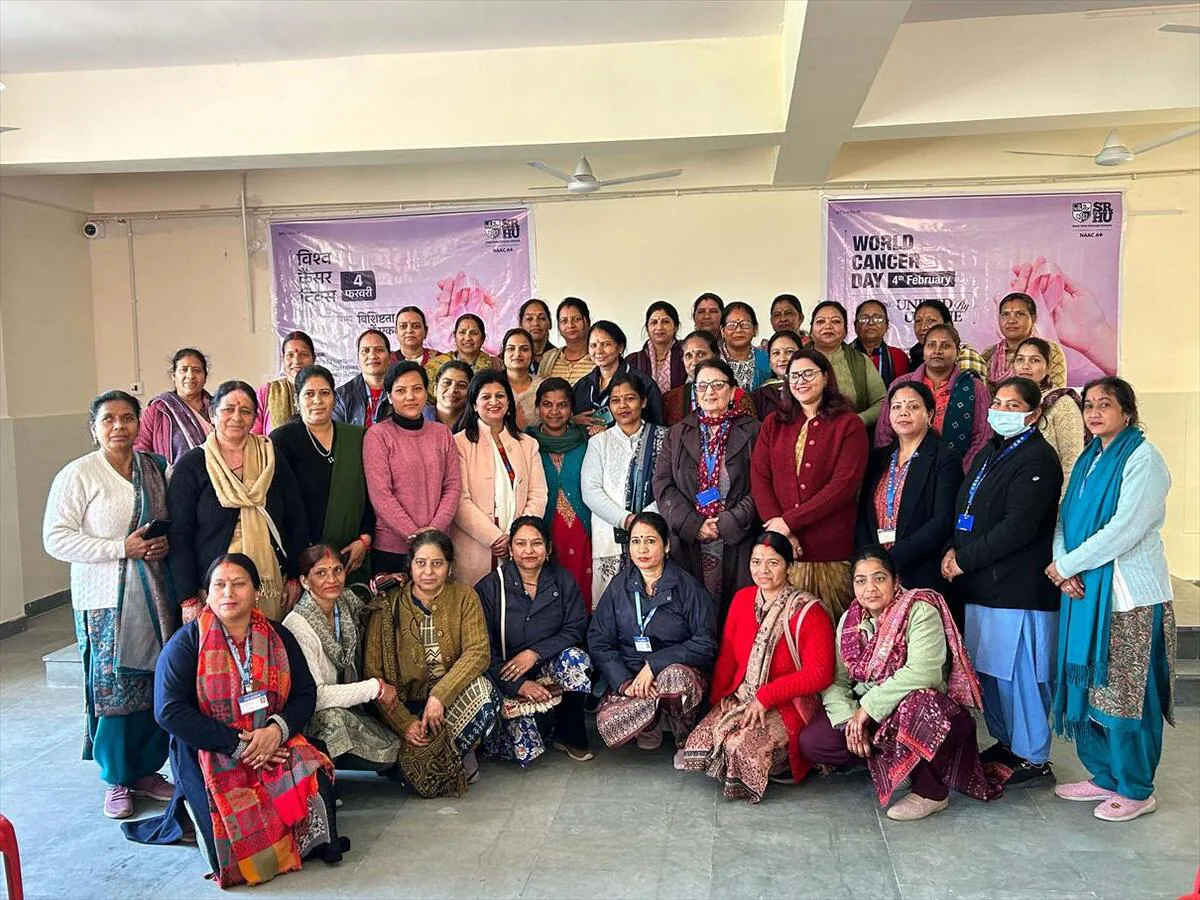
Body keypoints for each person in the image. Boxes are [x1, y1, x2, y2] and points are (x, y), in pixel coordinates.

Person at [127, 554, 346, 885]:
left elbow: (305, 693)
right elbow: (168, 710)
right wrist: (238, 745)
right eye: (220, 585)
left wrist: (276, 731)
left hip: (273, 741)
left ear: (257, 591)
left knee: (315, 787)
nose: (228, 593)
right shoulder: (187, 643)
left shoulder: (278, 637)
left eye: (239, 584)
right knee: (226, 843)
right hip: (209, 748)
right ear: (207, 594)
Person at [1047, 377, 1175, 822]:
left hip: (1128, 597)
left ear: (1127, 412)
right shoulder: (1088, 459)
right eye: (1088, 405)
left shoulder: (1143, 459)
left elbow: (1126, 528)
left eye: (1105, 404)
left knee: (1126, 696)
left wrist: (1068, 566)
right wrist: (1064, 565)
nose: (1094, 412)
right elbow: (1063, 520)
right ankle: (1104, 774)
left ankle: (1136, 787)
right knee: (1090, 691)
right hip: (1084, 589)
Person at [43, 390, 175, 819]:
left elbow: (167, 524)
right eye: (108, 419)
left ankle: (146, 771)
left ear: (139, 423)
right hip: (104, 600)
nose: (119, 426)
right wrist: (120, 548)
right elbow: (56, 538)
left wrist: (160, 545)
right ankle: (116, 777)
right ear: (94, 427)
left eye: (127, 418)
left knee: (152, 682)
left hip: (153, 595)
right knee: (114, 687)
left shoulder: (154, 468)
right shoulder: (79, 474)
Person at [799, 547, 1001, 821]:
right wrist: (849, 721)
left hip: (928, 713)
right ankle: (897, 763)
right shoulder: (850, 620)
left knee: (918, 704)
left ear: (896, 581)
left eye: (879, 578)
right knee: (815, 742)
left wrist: (867, 709)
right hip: (874, 714)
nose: (870, 588)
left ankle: (931, 793)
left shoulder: (920, 610)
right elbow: (837, 679)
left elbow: (923, 672)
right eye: (861, 581)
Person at [941, 376, 1064, 785]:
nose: (1002, 411)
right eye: (998, 402)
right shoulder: (991, 450)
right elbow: (965, 507)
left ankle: (1033, 757)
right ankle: (1008, 741)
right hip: (982, 584)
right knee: (992, 672)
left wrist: (965, 558)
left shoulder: (1038, 458)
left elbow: (1018, 527)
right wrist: (954, 549)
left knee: (1020, 675)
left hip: (1017, 588)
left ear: (1034, 413)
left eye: (1013, 405)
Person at [679, 533, 834, 803]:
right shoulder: (743, 599)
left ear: (789, 566)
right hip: (744, 696)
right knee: (699, 745)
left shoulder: (808, 610)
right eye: (756, 562)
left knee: (738, 749)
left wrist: (766, 696)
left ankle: (784, 764)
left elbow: (819, 674)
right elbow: (728, 656)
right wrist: (718, 701)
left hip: (786, 703)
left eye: (773, 563)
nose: (763, 570)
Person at [363, 530, 500, 792]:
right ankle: (435, 758)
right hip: (406, 704)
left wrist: (439, 696)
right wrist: (405, 724)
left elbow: (478, 652)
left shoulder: (464, 597)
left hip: (450, 702)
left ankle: (445, 757)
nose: (428, 572)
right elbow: (374, 671)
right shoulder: (388, 603)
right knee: (415, 746)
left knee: (485, 694)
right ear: (410, 566)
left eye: (437, 563)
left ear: (450, 567)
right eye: (421, 563)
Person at [169, 380, 309, 622]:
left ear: (255, 417)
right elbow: (179, 535)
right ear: (213, 414)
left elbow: (296, 518)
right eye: (228, 409)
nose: (237, 417)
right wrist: (188, 598)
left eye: (245, 411)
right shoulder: (193, 465)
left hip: (271, 581)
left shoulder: (271, 457)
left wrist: (295, 577)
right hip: (215, 586)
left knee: (268, 642)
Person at [750, 350, 868, 619]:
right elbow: (760, 477)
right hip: (782, 550)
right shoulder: (774, 423)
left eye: (808, 374)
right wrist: (779, 528)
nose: (800, 381)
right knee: (783, 631)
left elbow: (844, 485)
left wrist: (788, 522)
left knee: (831, 627)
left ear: (825, 377)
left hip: (830, 551)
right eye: (794, 376)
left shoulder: (849, 424)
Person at [588, 512, 719, 751]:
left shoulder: (687, 587)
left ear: (666, 545)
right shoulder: (619, 586)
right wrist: (624, 682)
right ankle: (652, 721)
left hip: (674, 673)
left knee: (676, 679)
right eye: (635, 541)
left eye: (650, 541)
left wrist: (655, 665)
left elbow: (706, 642)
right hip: (633, 673)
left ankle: (683, 735)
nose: (642, 549)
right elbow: (599, 640)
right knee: (608, 722)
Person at [476, 517, 592, 765]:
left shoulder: (563, 580)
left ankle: (570, 733)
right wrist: (517, 685)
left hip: (547, 662)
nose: (529, 550)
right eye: (521, 544)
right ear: (510, 549)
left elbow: (575, 628)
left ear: (548, 548)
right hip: (507, 674)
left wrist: (535, 653)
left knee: (576, 660)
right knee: (523, 749)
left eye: (536, 543)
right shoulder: (491, 587)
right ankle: (546, 725)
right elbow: (481, 648)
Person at [653, 359, 760, 623]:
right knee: (692, 613)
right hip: (690, 539)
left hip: (737, 536)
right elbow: (663, 484)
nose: (709, 392)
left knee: (735, 614)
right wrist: (694, 525)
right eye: (702, 386)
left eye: (718, 385)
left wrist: (729, 522)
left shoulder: (754, 431)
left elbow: (762, 486)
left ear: (733, 391)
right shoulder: (677, 433)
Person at [282, 545, 403, 772]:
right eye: (321, 573)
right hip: (312, 717)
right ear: (305, 581)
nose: (332, 579)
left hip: (349, 707)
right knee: (333, 722)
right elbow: (316, 697)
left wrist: (388, 584)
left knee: (399, 748)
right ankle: (321, 778)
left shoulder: (344, 603)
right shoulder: (298, 626)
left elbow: (369, 604)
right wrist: (374, 688)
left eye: (337, 570)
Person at [271, 366, 374, 585]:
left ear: (334, 398)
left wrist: (365, 539)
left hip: (352, 557)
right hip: (303, 560)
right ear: (297, 401)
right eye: (309, 394)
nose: (317, 400)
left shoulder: (357, 438)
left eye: (324, 393)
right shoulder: (282, 440)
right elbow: (280, 507)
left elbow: (372, 494)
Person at [857, 382, 963, 593]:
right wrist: (872, 558)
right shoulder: (878, 458)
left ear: (930, 414)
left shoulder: (944, 458)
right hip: (877, 575)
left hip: (921, 571)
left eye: (913, 406)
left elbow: (942, 521)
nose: (903, 412)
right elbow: (863, 515)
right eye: (896, 407)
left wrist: (891, 559)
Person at [451, 370, 548, 588]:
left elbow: (538, 495)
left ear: (509, 402)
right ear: (474, 404)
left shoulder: (528, 444)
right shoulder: (459, 444)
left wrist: (517, 537)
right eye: (486, 397)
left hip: (518, 546)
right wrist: (495, 538)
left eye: (500, 396)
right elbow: (459, 500)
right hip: (475, 547)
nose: (494, 402)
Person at [364, 361, 462, 578]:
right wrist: (416, 535)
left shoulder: (442, 433)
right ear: (389, 396)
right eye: (400, 390)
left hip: (438, 546)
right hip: (392, 549)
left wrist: (434, 532)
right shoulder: (378, 436)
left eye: (417, 389)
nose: (410, 396)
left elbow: (453, 486)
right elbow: (381, 495)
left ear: (426, 393)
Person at [581, 373, 667, 600]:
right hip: (610, 539)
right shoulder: (598, 442)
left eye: (630, 398)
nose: (623, 406)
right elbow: (590, 491)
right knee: (612, 606)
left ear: (643, 401)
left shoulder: (664, 438)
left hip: (653, 534)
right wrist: (627, 520)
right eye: (615, 400)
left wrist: (645, 521)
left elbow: (669, 487)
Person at [874, 324, 992, 473]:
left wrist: (958, 473)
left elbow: (982, 438)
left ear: (958, 352)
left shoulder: (975, 388)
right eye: (931, 345)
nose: (937, 351)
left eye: (945, 345)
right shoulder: (901, 385)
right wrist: (898, 469)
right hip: (903, 471)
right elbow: (884, 433)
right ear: (923, 351)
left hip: (956, 474)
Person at [526, 378, 594, 612]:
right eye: (547, 404)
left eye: (562, 405)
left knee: (582, 590)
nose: (554, 411)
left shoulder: (588, 441)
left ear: (572, 409)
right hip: (543, 529)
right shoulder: (526, 443)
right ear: (537, 408)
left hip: (582, 530)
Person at [1013, 337, 1085, 486]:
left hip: (1050, 490)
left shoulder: (1062, 403)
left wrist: (1064, 499)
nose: (1025, 366)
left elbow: (1072, 462)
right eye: (1020, 360)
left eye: (1035, 360)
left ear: (1048, 367)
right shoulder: (1008, 403)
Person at [573, 320, 665, 429]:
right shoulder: (582, 385)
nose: (599, 351)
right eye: (593, 345)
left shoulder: (643, 383)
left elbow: (657, 426)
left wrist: (611, 433)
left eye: (606, 344)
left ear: (620, 347)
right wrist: (574, 420)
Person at [808, 301, 886, 427]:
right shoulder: (795, 360)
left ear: (845, 331)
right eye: (820, 321)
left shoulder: (861, 361)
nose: (828, 326)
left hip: (850, 433)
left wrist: (854, 421)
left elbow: (882, 402)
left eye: (835, 321)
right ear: (811, 330)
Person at [134, 348, 212, 465]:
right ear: (173, 376)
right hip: (170, 476)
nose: (190, 375)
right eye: (183, 370)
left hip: (215, 475)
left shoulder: (217, 408)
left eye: (197, 370)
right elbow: (141, 450)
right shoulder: (158, 410)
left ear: (205, 377)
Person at [664, 330, 756, 426]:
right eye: (688, 355)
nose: (694, 362)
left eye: (701, 354)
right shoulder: (671, 399)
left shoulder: (738, 396)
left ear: (716, 356)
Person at [982, 292, 1068, 391]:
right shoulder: (990, 353)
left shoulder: (1050, 349)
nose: (1011, 320)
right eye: (1005, 314)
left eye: (1020, 314)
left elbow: (1057, 394)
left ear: (1033, 318)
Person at [253, 330, 315, 434]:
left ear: (313, 358)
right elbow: (253, 436)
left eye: (304, 354)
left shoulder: (323, 392)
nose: (296, 361)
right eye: (290, 355)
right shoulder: (267, 391)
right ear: (283, 359)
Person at [907, 299, 987, 378]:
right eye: (918, 321)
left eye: (931, 320)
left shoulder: (965, 355)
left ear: (948, 325)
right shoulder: (915, 356)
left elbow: (970, 386)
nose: (923, 327)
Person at [333, 328, 393, 428]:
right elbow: (336, 434)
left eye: (379, 350)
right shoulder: (341, 396)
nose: (372, 355)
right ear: (358, 358)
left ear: (390, 357)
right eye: (365, 351)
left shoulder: (401, 391)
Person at [627, 300, 686, 395]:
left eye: (665, 322)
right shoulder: (633, 361)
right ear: (647, 328)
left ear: (676, 327)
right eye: (654, 322)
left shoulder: (687, 356)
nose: (659, 327)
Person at [425, 313, 499, 386]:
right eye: (462, 332)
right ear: (455, 336)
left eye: (474, 333)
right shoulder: (434, 366)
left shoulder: (496, 365)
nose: (467, 338)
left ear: (483, 338)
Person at [851, 300, 910, 387]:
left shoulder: (900, 357)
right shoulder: (843, 355)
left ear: (886, 326)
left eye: (878, 318)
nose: (871, 323)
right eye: (864, 319)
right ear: (855, 326)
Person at [538, 297, 592, 385]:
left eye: (576, 319)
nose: (570, 325)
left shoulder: (598, 357)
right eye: (564, 321)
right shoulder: (548, 358)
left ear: (588, 322)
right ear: (559, 327)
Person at [719, 301, 771, 392]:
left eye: (745, 324)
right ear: (722, 330)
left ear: (755, 329)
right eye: (731, 325)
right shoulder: (714, 359)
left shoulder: (768, 360)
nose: (738, 330)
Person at [751, 330, 801, 420]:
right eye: (776, 353)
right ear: (769, 360)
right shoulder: (759, 396)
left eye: (789, 352)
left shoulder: (811, 387)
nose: (782, 358)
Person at [501, 327, 543, 430]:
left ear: (532, 355)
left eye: (524, 349)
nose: (517, 354)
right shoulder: (491, 386)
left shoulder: (542, 387)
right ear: (503, 354)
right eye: (511, 348)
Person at [423, 359, 472, 429]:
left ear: (471, 392)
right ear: (435, 388)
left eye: (461, 385)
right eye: (447, 383)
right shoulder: (417, 419)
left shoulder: (477, 425)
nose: (452, 390)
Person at [519, 298, 555, 373]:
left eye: (542, 318)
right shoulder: (510, 359)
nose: (536, 323)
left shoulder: (559, 357)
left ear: (550, 323)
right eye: (529, 319)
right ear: (520, 325)